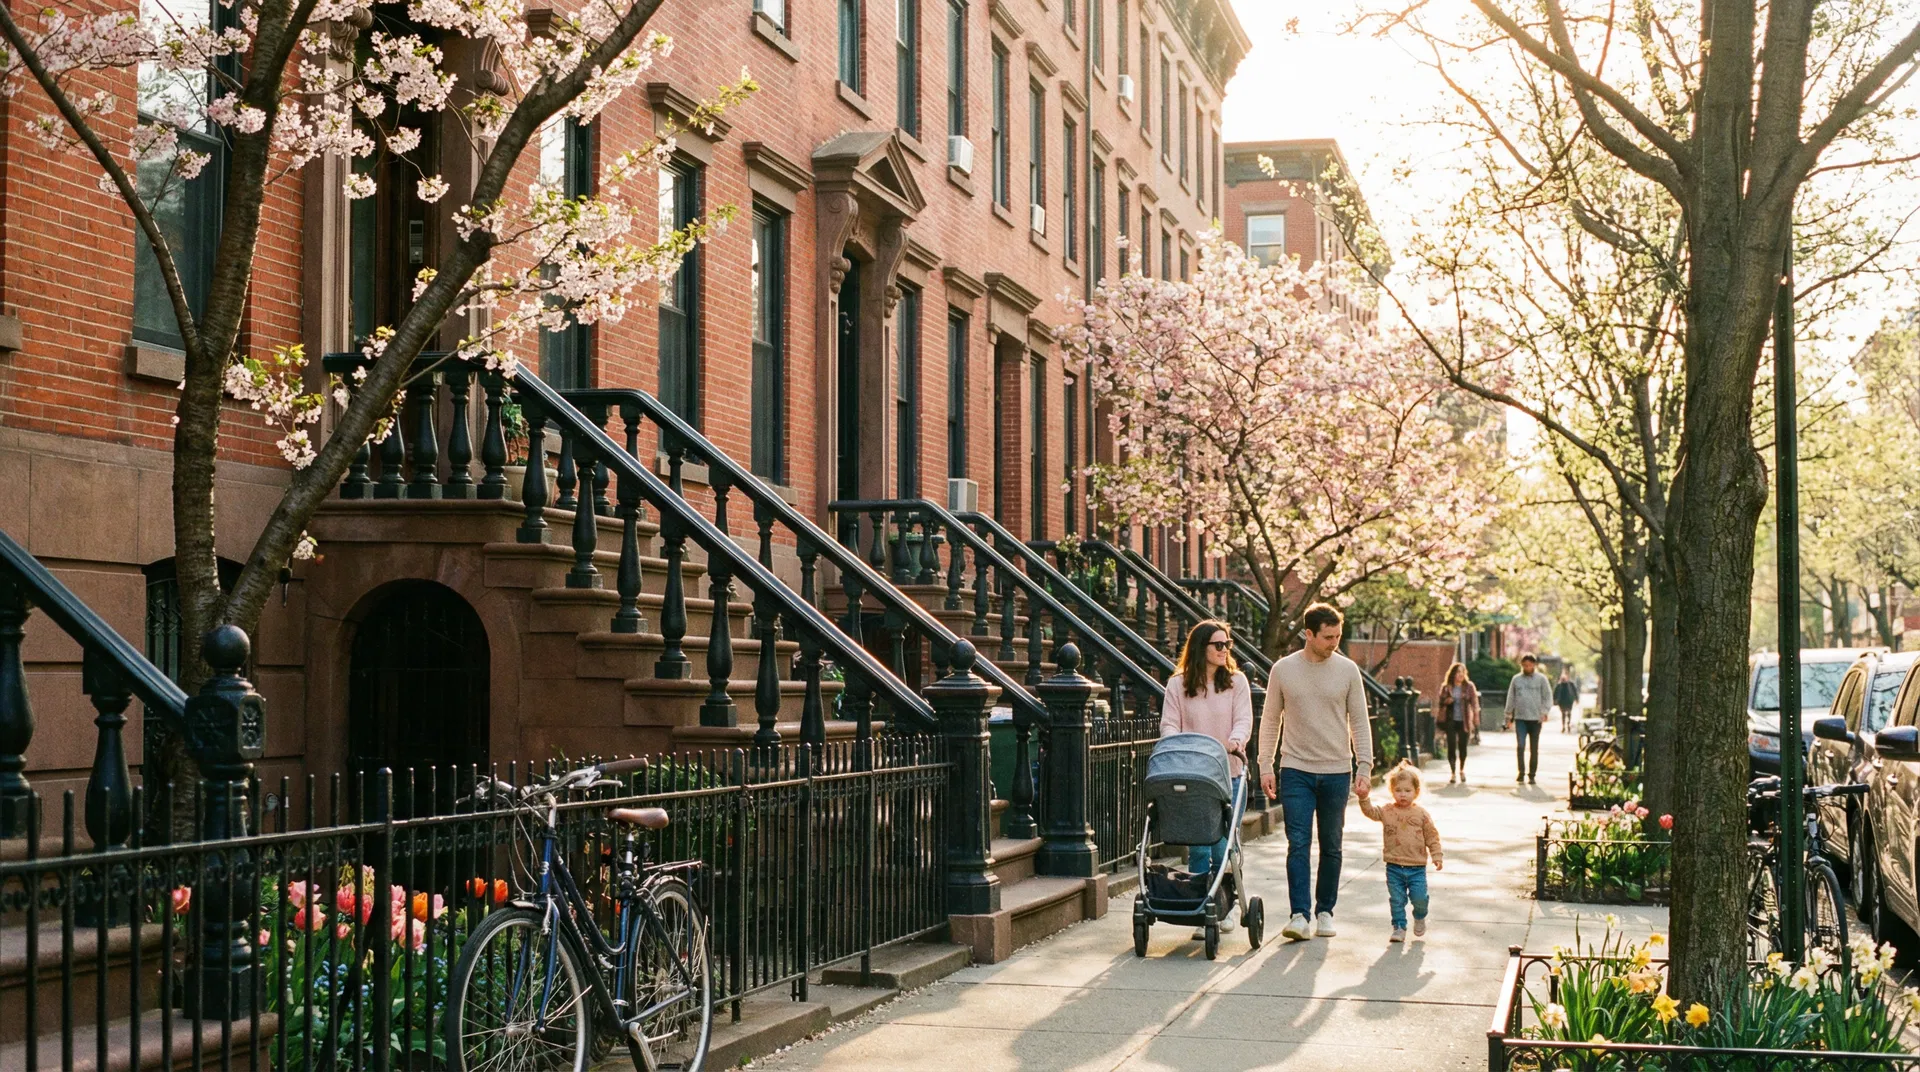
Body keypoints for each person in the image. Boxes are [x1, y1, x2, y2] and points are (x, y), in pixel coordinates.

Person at [1257, 602, 1373, 943]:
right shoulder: (1283, 669)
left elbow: (1360, 722)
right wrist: (1265, 764)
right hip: (1295, 769)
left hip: (1337, 770)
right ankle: (1299, 915)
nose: (1334, 642)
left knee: (1332, 844)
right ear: (1308, 634)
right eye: (1327, 637)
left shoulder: (1348, 670)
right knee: (1298, 843)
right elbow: (1269, 719)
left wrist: (1363, 765)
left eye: (1338, 636)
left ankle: (1325, 911)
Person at [1159, 619, 1253, 939]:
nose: (1225, 650)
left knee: (1222, 843)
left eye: (1228, 645)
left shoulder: (1236, 683)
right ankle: (1201, 905)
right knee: (1199, 844)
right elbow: (1169, 724)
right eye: (1218, 645)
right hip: (1193, 773)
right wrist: (1175, 744)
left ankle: (1223, 905)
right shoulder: (1178, 685)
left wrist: (1237, 740)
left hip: (1229, 773)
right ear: (1202, 648)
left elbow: (1243, 719)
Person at [1358, 760, 1443, 943]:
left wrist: (1436, 856)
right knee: (1397, 900)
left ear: (1416, 792)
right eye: (1398, 790)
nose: (1402, 794)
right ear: (1392, 791)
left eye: (1407, 791)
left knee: (1419, 898)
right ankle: (1399, 926)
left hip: (1416, 867)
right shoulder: (1387, 811)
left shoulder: (1421, 814)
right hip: (1394, 866)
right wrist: (1364, 798)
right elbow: (1370, 812)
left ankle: (1420, 915)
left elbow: (1432, 836)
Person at [1504, 654, 1552, 784]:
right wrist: (1508, 715)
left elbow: (1548, 697)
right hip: (1520, 718)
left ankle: (1532, 774)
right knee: (1520, 745)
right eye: (1525, 665)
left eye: (1530, 665)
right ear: (1521, 665)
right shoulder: (1516, 679)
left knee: (1534, 747)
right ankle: (1521, 772)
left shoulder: (1541, 679)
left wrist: (1545, 712)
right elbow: (1511, 698)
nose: (1527, 667)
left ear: (1534, 665)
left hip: (1536, 719)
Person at [1436, 663, 1479, 785]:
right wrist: (1446, 701)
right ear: (1453, 674)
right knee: (1451, 746)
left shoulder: (1469, 687)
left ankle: (1462, 769)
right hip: (1450, 720)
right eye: (1458, 672)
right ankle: (1453, 773)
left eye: (1462, 672)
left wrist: (1476, 717)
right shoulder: (1446, 687)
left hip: (1464, 721)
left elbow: (1475, 703)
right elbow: (1440, 702)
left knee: (1463, 746)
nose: (1460, 675)